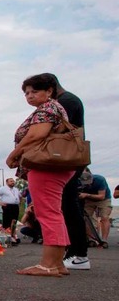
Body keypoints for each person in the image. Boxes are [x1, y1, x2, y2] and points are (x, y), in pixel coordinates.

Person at [6, 73, 73, 277]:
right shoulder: (54, 108)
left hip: (45, 166)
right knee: (54, 212)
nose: (30, 96)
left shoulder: (48, 108)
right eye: (26, 93)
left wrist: (14, 154)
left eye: (35, 91)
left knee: (47, 214)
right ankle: (57, 262)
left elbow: (37, 134)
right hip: (55, 166)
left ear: (49, 91)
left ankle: (48, 264)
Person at [41, 73, 90, 270]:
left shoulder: (65, 101)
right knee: (65, 206)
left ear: (50, 89)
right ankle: (74, 252)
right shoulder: (69, 99)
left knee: (68, 207)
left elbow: (58, 129)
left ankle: (79, 254)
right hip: (70, 159)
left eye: (37, 91)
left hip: (66, 159)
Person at [79, 168, 112, 243]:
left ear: (91, 174)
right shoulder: (78, 181)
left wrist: (87, 194)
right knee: (85, 218)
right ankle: (92, 239)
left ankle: (104, 240)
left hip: (103, 199)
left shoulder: (100, 179)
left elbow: (101, 196)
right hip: (88, 199)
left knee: (104, 217)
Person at [0, 178, 22, 243]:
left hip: (15, 206)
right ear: (7, 182)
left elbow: (20, 196)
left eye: (13, 181)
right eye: (11, 181)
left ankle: (13, 235)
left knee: (14, 221)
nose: (13, 182)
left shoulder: (16, 189)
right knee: (7, 221)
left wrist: (19, 203)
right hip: (7, 206)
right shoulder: (3, 188)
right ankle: (7, 236)